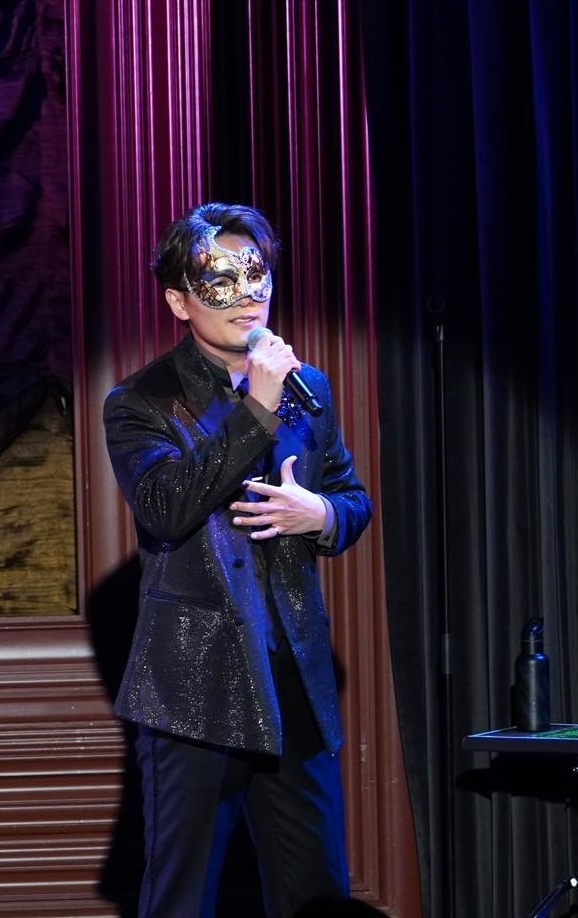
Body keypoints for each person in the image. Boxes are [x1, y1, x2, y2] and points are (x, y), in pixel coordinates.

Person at [101, 201, 373, 918]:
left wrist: (321, 515)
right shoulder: (140, 402)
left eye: (257, 276)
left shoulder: (307, 389)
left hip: (293, 675)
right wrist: (255, 405)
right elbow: (165, 507)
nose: (247, 295)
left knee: (317, 893)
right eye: (219, 281)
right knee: (183, 896)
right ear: (179, 302)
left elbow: (351, 497)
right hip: (195, 684)